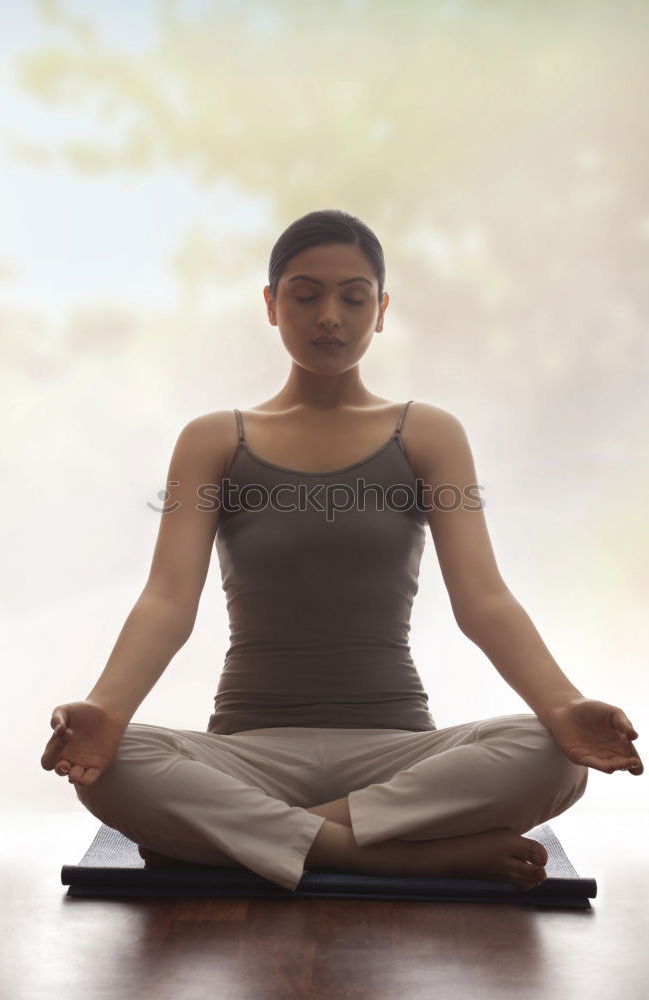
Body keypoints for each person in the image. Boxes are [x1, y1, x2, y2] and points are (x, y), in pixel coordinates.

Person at [40, 209, 643, 894]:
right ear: (271, 306)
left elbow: (485, 599)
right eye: (305, 295)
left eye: (353, 297)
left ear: (380, 311)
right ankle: (383, 854)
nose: (330, 314)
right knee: (116, 765)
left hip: (396, 751)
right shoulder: (213, 440)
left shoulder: (428, 434)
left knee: (550, 757)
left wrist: (563, 707)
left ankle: (247, 842)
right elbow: (167, 601)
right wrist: (106, 711)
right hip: (248, 754)